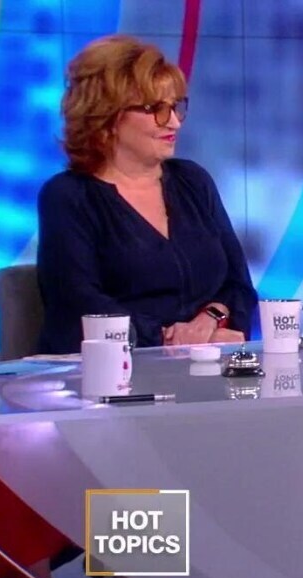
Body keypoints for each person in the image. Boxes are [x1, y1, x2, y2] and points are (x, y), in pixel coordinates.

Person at [36, 34, 257, 355]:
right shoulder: (68, 196)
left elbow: (238, 285)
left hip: (206, 363)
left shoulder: (193, 181)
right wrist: (168, 340)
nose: (174, 122)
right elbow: (79, 305)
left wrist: (212, 319)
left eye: (176, 107)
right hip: (113, 370)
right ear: (107, 115)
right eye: (156, 109)